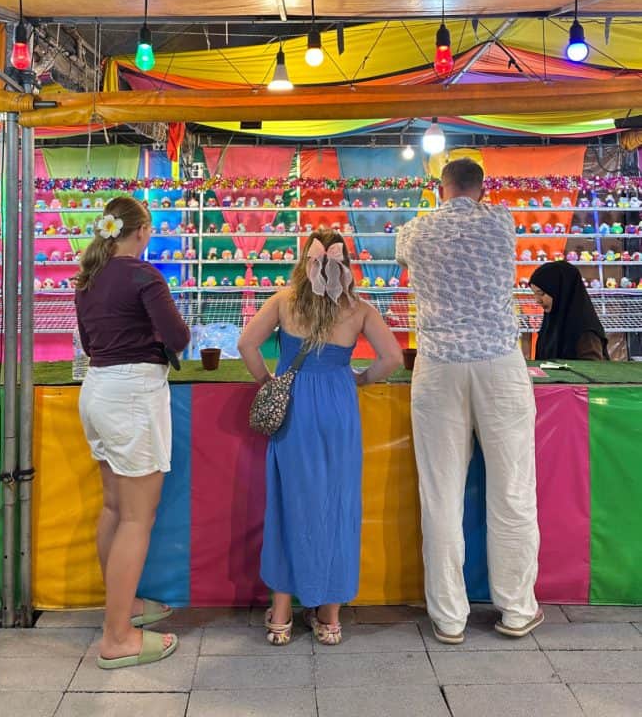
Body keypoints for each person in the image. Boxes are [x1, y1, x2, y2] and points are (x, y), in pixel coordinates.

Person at [396, 158, 542, 644]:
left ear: (440, 188)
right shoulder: (501, 221)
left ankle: (449, 617)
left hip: (438, 365)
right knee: (513, 489)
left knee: (440, 494)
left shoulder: (414, 231)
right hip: (499, 361)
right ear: (482, 189)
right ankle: (517, 609)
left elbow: (402, 262)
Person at [238, 229, 402, 647]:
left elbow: (246, 345)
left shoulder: (283, 301)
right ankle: (329, 617)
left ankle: (280, 615)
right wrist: (360, 379)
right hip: (339, 409)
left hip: (295, 408)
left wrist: (271, 382)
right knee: (336, 505)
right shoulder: (359, 309)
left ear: (303, 262)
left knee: (290, 505)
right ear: (344, 265)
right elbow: (393, 359)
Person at [75, 196, 191, 670]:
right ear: (141, 231)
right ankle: (117, 637)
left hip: (97, 390)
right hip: (133, 396)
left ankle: (124, 610)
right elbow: (179, 337)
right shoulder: (144, 275)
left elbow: (87, 342)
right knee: (136, 519)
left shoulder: (89, 278)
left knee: (114, 507)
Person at [530, 260, 609, 361]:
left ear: (561, 291)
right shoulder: (551, 323)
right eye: (534, 294)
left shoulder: (585, 333)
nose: (537, 300)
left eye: (541, 293)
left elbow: (592, 371)